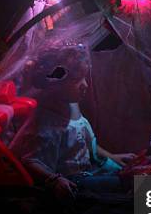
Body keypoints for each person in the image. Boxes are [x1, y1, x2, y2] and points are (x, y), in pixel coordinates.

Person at [10, 42, 136, 200]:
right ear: (54, 83)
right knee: (127, 185)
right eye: (76, 79)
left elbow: (84, 143)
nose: (85, 85)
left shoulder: (71, 106)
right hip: (73, 182)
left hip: (89, 170)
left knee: (133, 173)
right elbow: (29, 160)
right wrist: (54, 180)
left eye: (84, 77)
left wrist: (112, 156)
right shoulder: (44, 123)